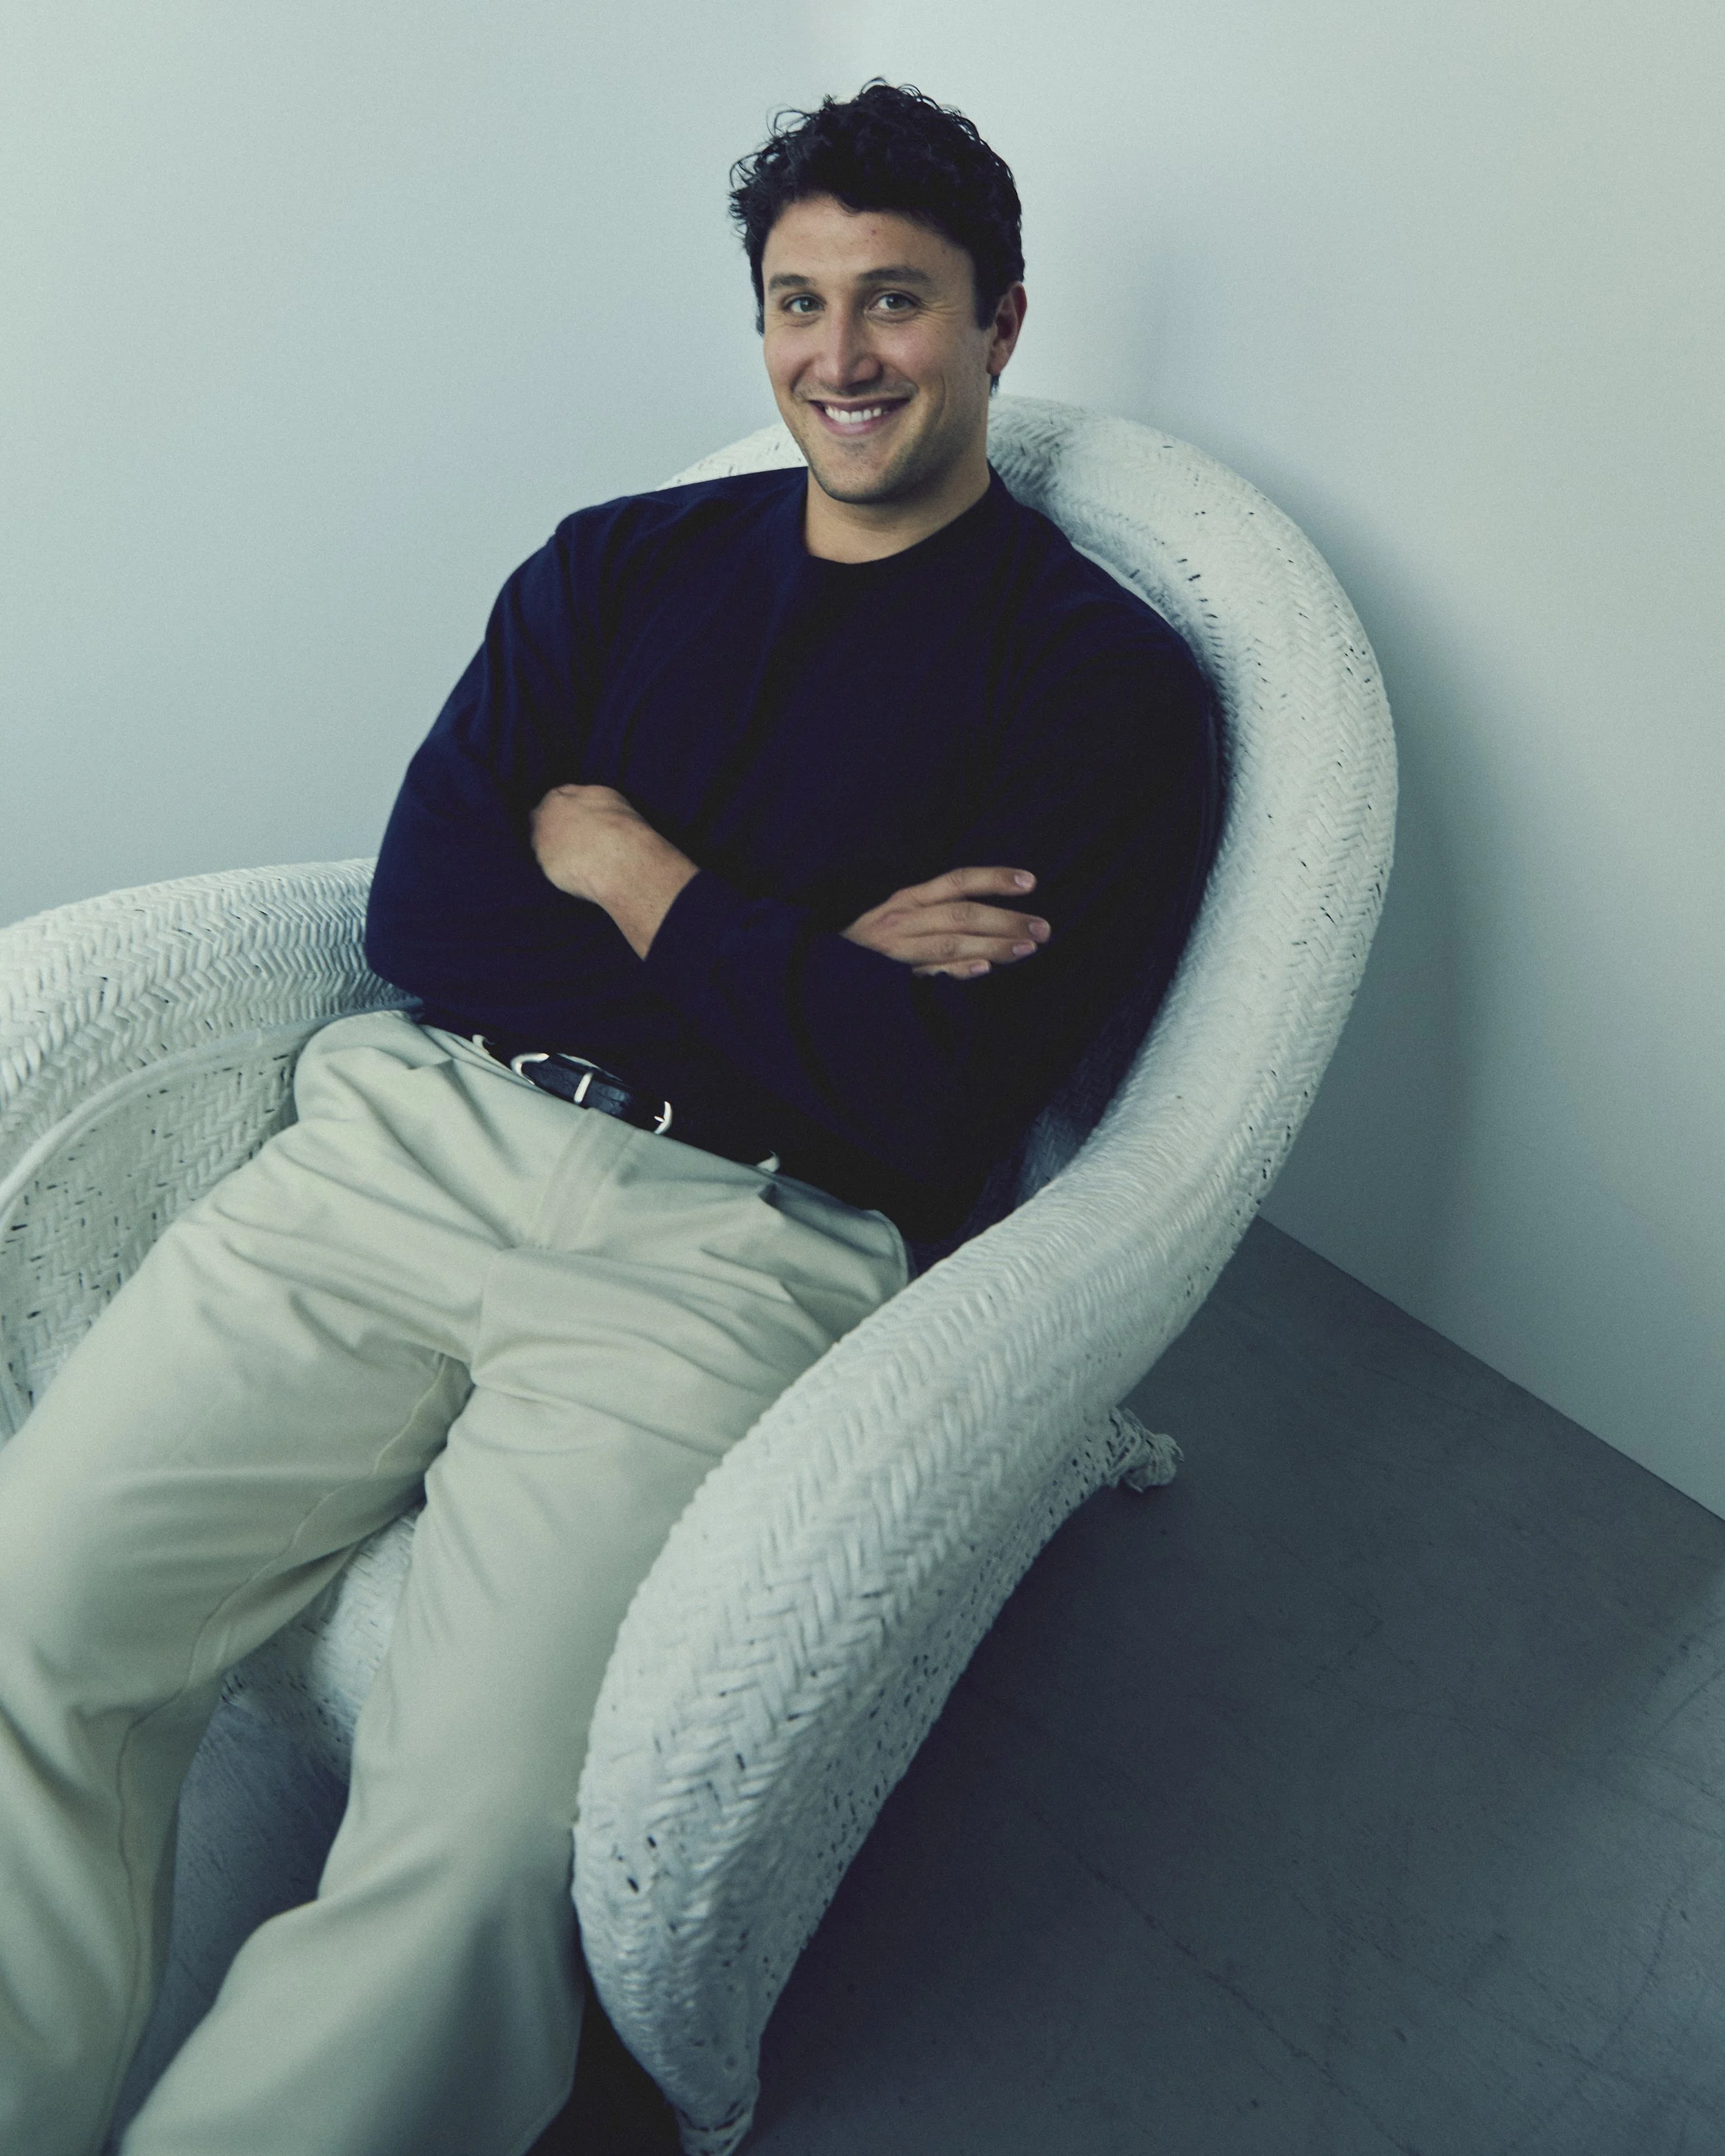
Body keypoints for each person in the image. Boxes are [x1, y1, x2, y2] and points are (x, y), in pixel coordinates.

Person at [0, 80, 1219, 2156]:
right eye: (798, 302)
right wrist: (813, 959)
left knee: (479, 1850)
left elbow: (929, 1088)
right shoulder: (616, 563)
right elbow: (429, 915)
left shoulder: (1100, 685)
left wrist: (632, 868)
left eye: (898, 300)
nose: (841, 355)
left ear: (1000, 321)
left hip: (738, 1247)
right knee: (32, 1614)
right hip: (410, 1140)